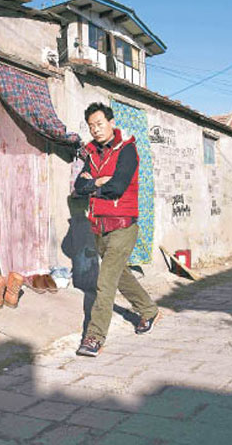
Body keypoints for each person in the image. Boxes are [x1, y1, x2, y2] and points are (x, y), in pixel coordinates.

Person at [73, 102, 160, 357]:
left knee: (105, 280)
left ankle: (94, 337)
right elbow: (79, 185)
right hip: (99, 225)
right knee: (120, 275)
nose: (96, 130)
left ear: (112, 123)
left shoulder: (127, 150)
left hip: (123, 225)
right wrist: (97, 183)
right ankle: (148, 310)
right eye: (91, 126)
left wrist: (96, 185)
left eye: (100, 124)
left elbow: (119, 186)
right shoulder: (91, 154)